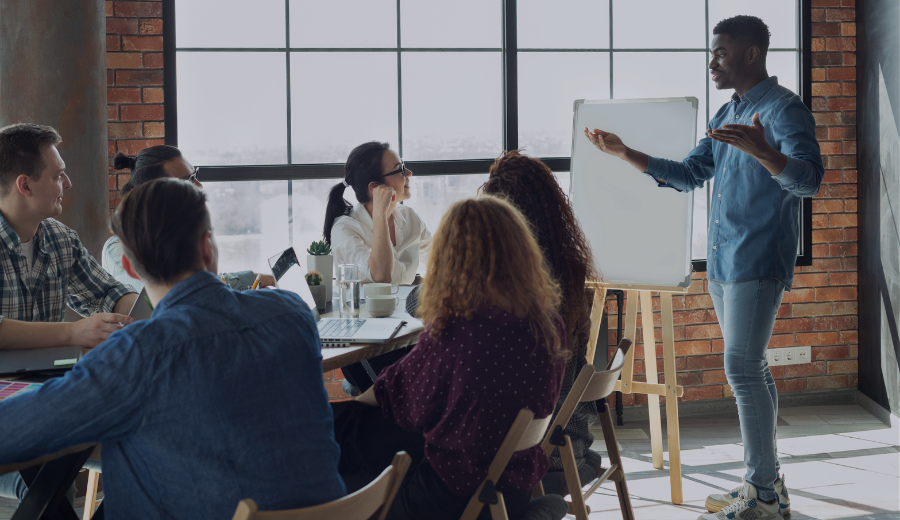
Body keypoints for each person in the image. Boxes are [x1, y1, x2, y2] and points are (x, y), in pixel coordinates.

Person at [585, 15, 822, 520]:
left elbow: (809, 181)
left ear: (751, 54)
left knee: (740, 367)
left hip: (758, 258)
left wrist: (764, 152)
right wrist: (625, 152)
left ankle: (761, 493)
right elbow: (691, 173)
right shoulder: (729, 110)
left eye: (720, 52)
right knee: (752, 367)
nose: (712, 61)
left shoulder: (784, 109)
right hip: (722, 260)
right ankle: (768, 485)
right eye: (711, 53)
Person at [0, 178, 346, 518]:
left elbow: (15, 432)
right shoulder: (293, 313)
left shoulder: (137, 356)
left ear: (129, 266)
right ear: (207, 246)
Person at [331, 195, 568, 520]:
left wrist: (350, 409)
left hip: (452, 498)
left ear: (451, 259)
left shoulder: (456, 331)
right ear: (521, 251)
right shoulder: (549, 324)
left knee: (339, 427)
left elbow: (397, 395)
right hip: (511, 492)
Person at [480, 150, 603, 496]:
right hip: (569, 444)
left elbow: (421, 303)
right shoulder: (570, 270)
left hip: (532, 460)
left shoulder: (500, 282)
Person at [0, 124, 138, 353]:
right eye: (57, 175)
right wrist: (74, 332)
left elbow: (108, 294)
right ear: (25, 185)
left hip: (50, 383)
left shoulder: (61, 239)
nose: (67, 182)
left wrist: (148, 311)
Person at [323, 141, 432, 393]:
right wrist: (381, 214)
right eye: (400, 169)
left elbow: (441, 256)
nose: (409, 174)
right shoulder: (346, 228)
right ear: (375, 187)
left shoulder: (409, 218)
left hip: (404, 333)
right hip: (366, 347)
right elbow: (380, 275)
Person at [103, 145, 274, 293]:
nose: (199, 185)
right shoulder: (118, 249)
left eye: (196, 175)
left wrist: (260, 280)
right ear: (155, 192)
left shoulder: (177, 234)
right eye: (189, 180)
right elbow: (187, 287)